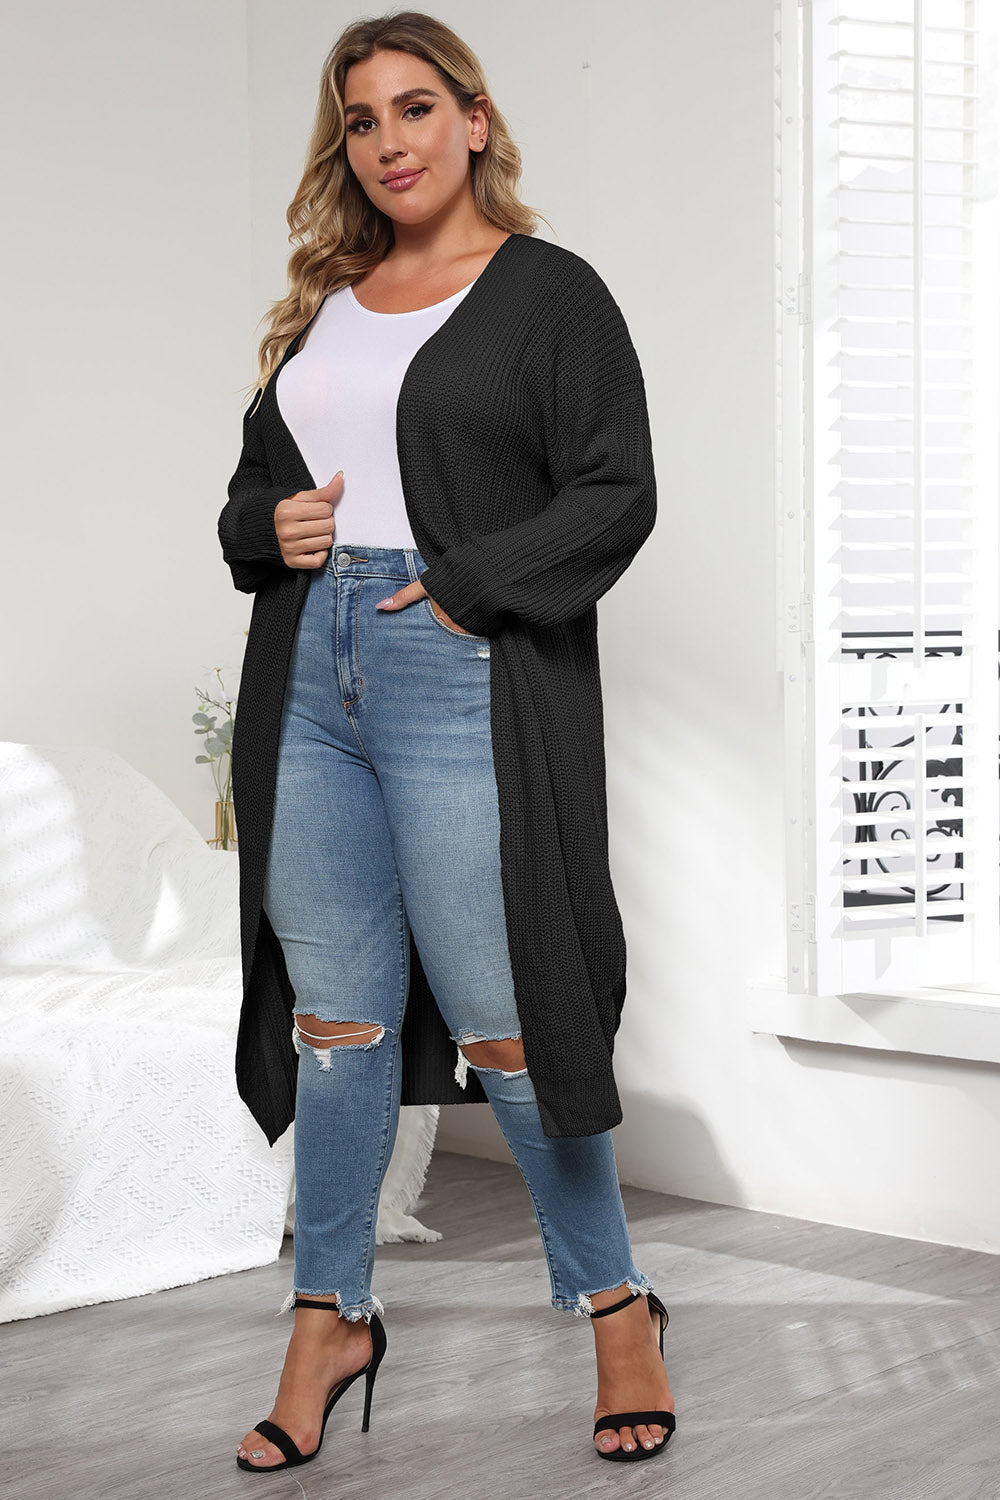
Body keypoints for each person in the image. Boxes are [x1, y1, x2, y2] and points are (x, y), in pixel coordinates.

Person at [219, 9, 674, 1473]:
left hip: (455, 662)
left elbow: (615, 490)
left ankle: (615, 1306)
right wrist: (269, 528)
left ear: (475, 120)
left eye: (416, 108)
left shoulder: (550, 294)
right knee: (337, 1022)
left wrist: (473, 585)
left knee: (508, 1016)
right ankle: (327, 1320)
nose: (389, 141)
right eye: (361, 120)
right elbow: (250, 497)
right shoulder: (327, 303)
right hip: (307, 675)